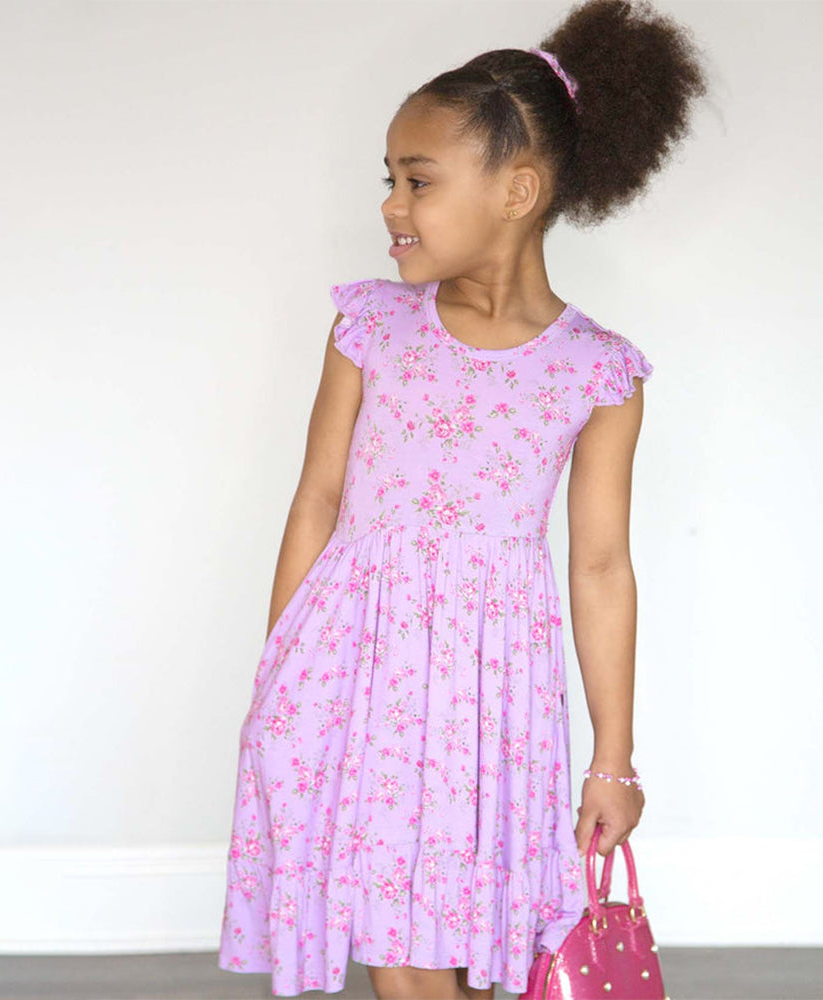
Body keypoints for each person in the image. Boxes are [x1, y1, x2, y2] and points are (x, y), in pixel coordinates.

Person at [217, 1, 707, 997]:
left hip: (494, 705)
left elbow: (601, 564)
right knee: (402, 954)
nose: (393, 205)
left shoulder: (597, 373)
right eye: (389, 181)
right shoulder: (368, 329)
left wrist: (611, 759)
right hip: (353, 672)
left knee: (474, 951)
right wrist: (278, 670)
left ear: (517, 189)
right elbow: (315, 498)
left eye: (419, 181)